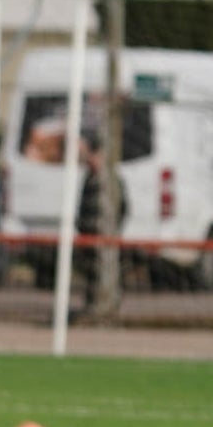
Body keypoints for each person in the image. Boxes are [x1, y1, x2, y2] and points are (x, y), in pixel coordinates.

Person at [75, 133, 127, 315]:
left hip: (104, 238)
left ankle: (107, 306)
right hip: (88, 236)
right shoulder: (89, 177)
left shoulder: (111, 180)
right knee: (90, 275)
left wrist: (113, 230)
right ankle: (92, 306)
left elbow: (124, 207)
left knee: (106, 272)